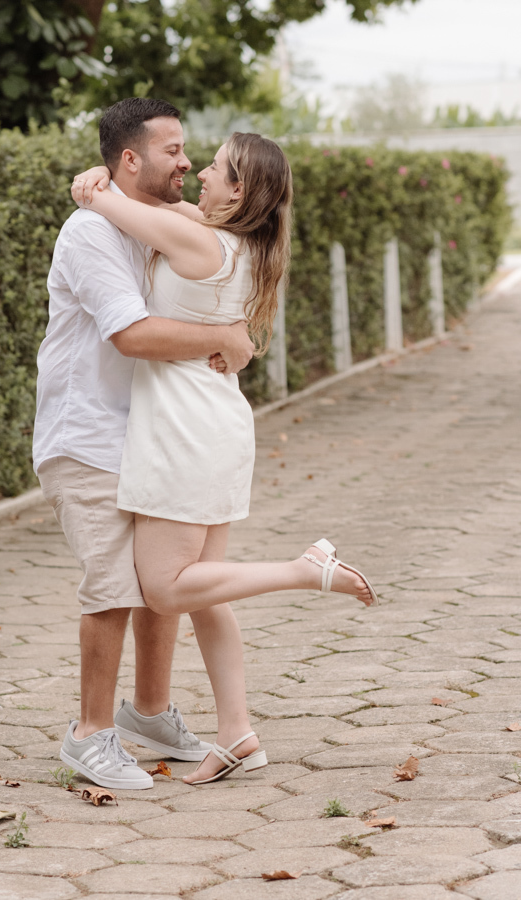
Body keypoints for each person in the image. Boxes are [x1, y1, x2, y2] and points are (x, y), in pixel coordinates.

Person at [71, 129, 379, 785]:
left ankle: (304, 571)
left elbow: (107, 203)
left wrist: (90, 185)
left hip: (182, 432)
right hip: (216, 425)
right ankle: (238, 732)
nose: (200, 175)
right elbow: (167, 210)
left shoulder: (201, 241)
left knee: (166, 588)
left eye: (214, 168)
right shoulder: (239, 244)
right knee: (207, 596)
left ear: (239, 190)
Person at [33, 98, 257, 791]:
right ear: (130, 159)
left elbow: (232, 240)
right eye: (172, 151)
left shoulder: (150, 222)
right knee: (111, 587)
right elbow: (131, 335)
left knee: (162, 582)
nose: (187, 162)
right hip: (89, 435)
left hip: (150, 434)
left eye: (190, 152)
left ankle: (151, 714)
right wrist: (223, 338)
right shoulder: (90, 235)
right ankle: (90, 734)